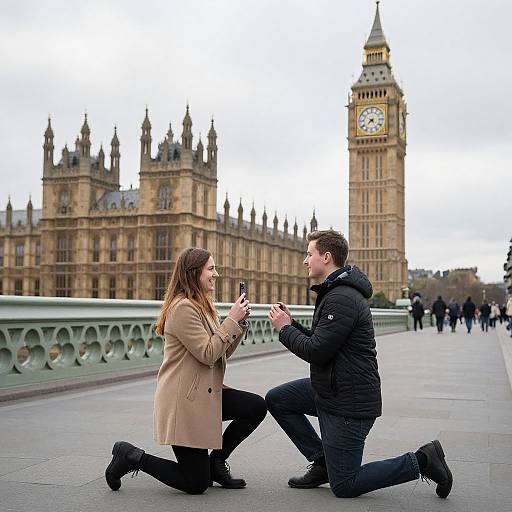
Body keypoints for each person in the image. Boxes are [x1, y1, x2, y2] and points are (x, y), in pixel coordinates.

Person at [265, 230, 453, 500]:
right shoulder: (335, 292)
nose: (305, 260)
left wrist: (284, 330)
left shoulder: (341, 297)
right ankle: (323, 464)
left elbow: (317, 351)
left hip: (349, 403)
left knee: (346, 485)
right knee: (278, 400)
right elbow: (323, 342)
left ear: (326, 257)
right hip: (334, 388)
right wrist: (292, 324)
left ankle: (423, 460)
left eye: (309, 254)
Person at [105, 248, 267, 494]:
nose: (217, 274)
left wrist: (238, 324)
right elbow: (207, 353)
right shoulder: (183, 308)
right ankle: (131, 456)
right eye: (211, 269)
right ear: (194, 273)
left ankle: (216, 462)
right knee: (195, 484)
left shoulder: (202, 305)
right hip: (185, 404)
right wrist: (231, 321)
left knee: (255, 406)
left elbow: (218, 353)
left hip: (204, 395)